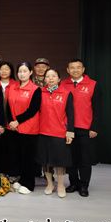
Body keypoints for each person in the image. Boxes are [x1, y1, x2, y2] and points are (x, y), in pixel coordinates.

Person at [60, 58, 99, 197]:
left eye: (78, 67)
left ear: (83, 69)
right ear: (67, 70)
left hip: (85, 128)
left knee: (84, 159)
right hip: (67, 128)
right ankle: (73, 183)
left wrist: (94, 127)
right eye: (72, 67)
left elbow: (97, 107)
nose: (75, 70)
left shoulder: (92, 84)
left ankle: (84, 185)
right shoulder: (63, 84)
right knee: (70, 158)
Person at [38, 68, 74, 198]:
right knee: (46, 161)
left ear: (59, 79)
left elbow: (71, 114)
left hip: (59, 132)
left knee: (60, 161)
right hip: (42, 131)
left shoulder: (66, 93)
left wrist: (70, 132)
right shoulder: (40, 92)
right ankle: (49, 184)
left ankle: (60, 185)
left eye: (53, 76)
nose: (50, 78)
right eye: (48, 76)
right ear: (44, 79)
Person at [7, 62, 41, 195]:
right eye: (20, 71)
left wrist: (17, 121)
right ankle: (21, 180)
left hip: (29, 128)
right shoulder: (13, 87)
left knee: (28, 157)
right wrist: (11, 122)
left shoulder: (35, 89)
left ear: (31, 72)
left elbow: (33, 110)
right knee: (18, 156)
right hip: (14, 128)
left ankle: (29, 184)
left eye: (25, 71)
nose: (22, 74)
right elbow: (8, 106)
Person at [0, 61, 17, 177]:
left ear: (11, 71)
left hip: (12, 123)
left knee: (11, 148)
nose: (4, 71)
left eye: (6, 69)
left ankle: (12, 173)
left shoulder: (16, 85)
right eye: (1, 69)